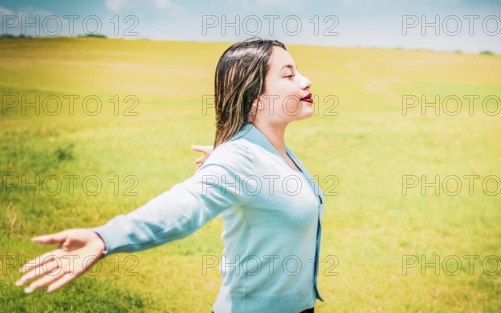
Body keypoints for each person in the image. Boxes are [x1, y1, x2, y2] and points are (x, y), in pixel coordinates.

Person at [15, 39, 326, 313]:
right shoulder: (240, 158)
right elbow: (184, 205)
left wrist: (240, 167)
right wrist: (105, 237)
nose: (306, 80)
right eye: (289, 74)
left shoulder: (270, 154)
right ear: (254, 96)